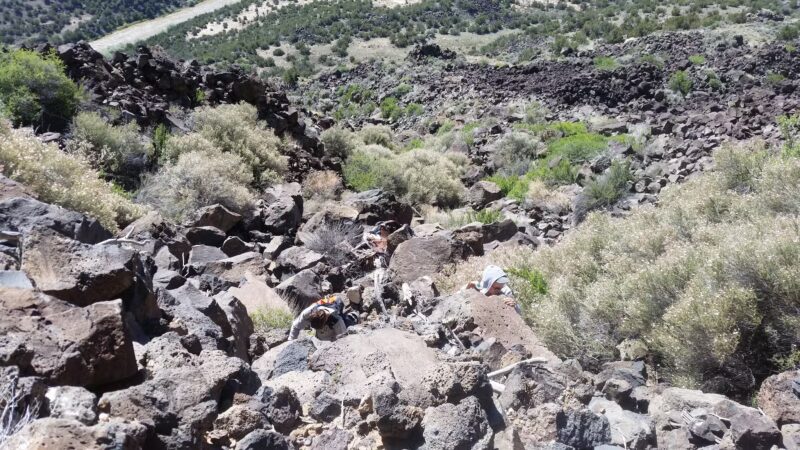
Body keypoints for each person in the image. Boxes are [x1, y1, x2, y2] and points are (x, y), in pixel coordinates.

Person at [288, 295, 359, 341]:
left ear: (325, 321)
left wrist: (335, 340)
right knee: (322, 336)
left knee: (346, 325)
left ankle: (352, 317)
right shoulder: (307, 314)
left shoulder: (335, 318)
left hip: (336, 302)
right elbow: (295, 326)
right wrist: (291, 341)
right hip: (324, 305)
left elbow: (343, 337)